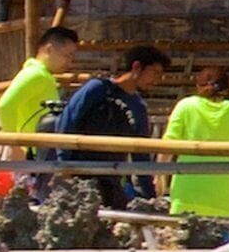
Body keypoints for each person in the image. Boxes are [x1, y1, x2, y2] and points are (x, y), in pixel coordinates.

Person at [57, 45, 169, 210]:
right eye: (155, 73)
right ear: (137, 67)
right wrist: (63, 165)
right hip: (79, 174)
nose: (156, 80)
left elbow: (141, 153)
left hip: (112, 179)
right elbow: (68, 122)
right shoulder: (97, 89)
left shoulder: (138, 107)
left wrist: (150, 196)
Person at [163, 66, 229, 222]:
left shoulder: (186, 106)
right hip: (222, 195)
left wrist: (159, 177)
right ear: (226, 88)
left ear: (198, 86)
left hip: (186, 192)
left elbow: (167, 145)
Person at [0, 24, 81, 137]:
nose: (69, 63)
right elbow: (5, 106)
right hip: (31, 146)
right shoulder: (35, 75)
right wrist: (12, 141)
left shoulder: (44, 76)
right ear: (49, 49)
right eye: (66, 56)